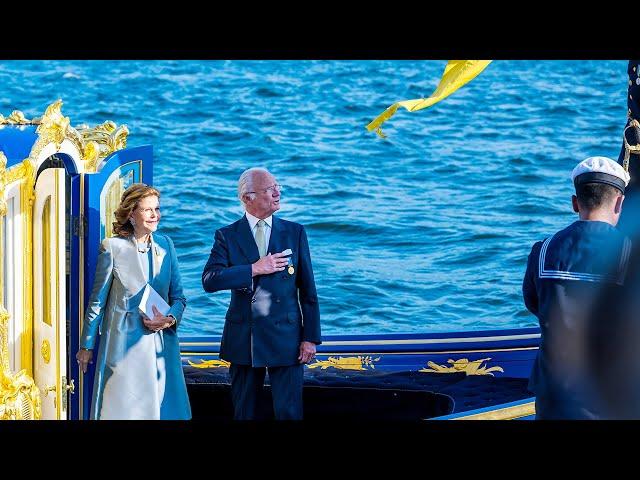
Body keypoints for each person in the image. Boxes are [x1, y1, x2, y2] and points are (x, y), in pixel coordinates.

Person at [202, 167, 321, 420]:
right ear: (248, 198)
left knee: (289, 413)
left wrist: (310, 337)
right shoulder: (227, 235)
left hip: (287, 337)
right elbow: (210, 281)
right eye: (269, 189)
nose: (278, 193)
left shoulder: (294, 231)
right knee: (245, 413)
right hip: (245, 337)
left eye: (277, 186)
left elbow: (308, 290)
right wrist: (254, 269)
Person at [522, 156, 631, 419]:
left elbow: (534, 303)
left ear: (575, 202)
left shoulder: (543, 250)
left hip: (553, 397)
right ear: (619, 203)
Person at [76, 183, 191, 420]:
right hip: (122, 346)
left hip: (160, 344)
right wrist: (86, 346)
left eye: (157, 209)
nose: (154, 215)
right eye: (148, 210)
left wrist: (169, 319)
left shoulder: (166, 244)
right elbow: (97, 302)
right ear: (131, 214)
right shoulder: (112, 247)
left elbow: (179, 297)